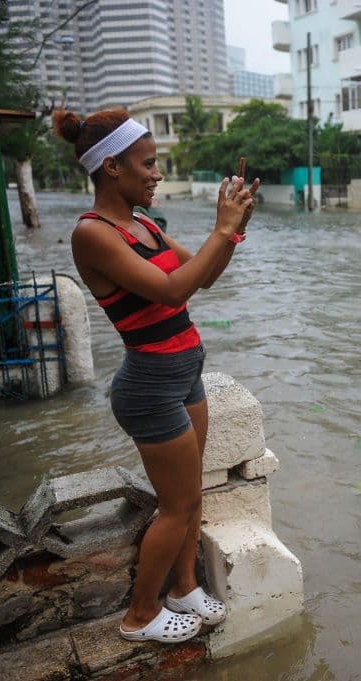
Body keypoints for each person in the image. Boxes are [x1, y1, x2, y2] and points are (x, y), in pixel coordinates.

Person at [53, 108, 259, 643]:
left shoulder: (144, 224)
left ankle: (184, 587)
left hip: (185, 373)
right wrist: (221, 227)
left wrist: (233, 232)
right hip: (149, 387)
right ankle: (139, 615)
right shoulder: (93, 235)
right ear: (112, 168)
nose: (157, 173)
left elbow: (202, 277)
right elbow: (171, 291)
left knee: (192, 495)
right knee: (178, 504)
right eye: (148, 164)